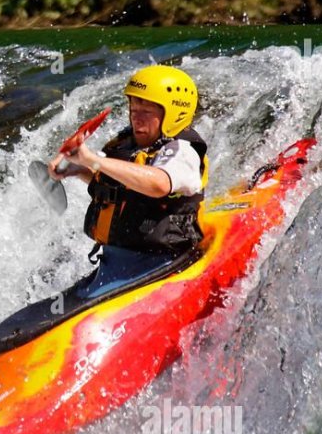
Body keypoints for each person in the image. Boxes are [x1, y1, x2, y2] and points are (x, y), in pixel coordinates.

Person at [49, 65, 209, 300]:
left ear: (174, 113)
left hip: (161, 263)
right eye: (134, 108)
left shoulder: (182, 151)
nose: (136, 117)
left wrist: (93, 160)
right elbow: (118, 185)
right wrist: (77, 169)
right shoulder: (127, 144)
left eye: (147, 110)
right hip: (115, 262)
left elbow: (159, 184)